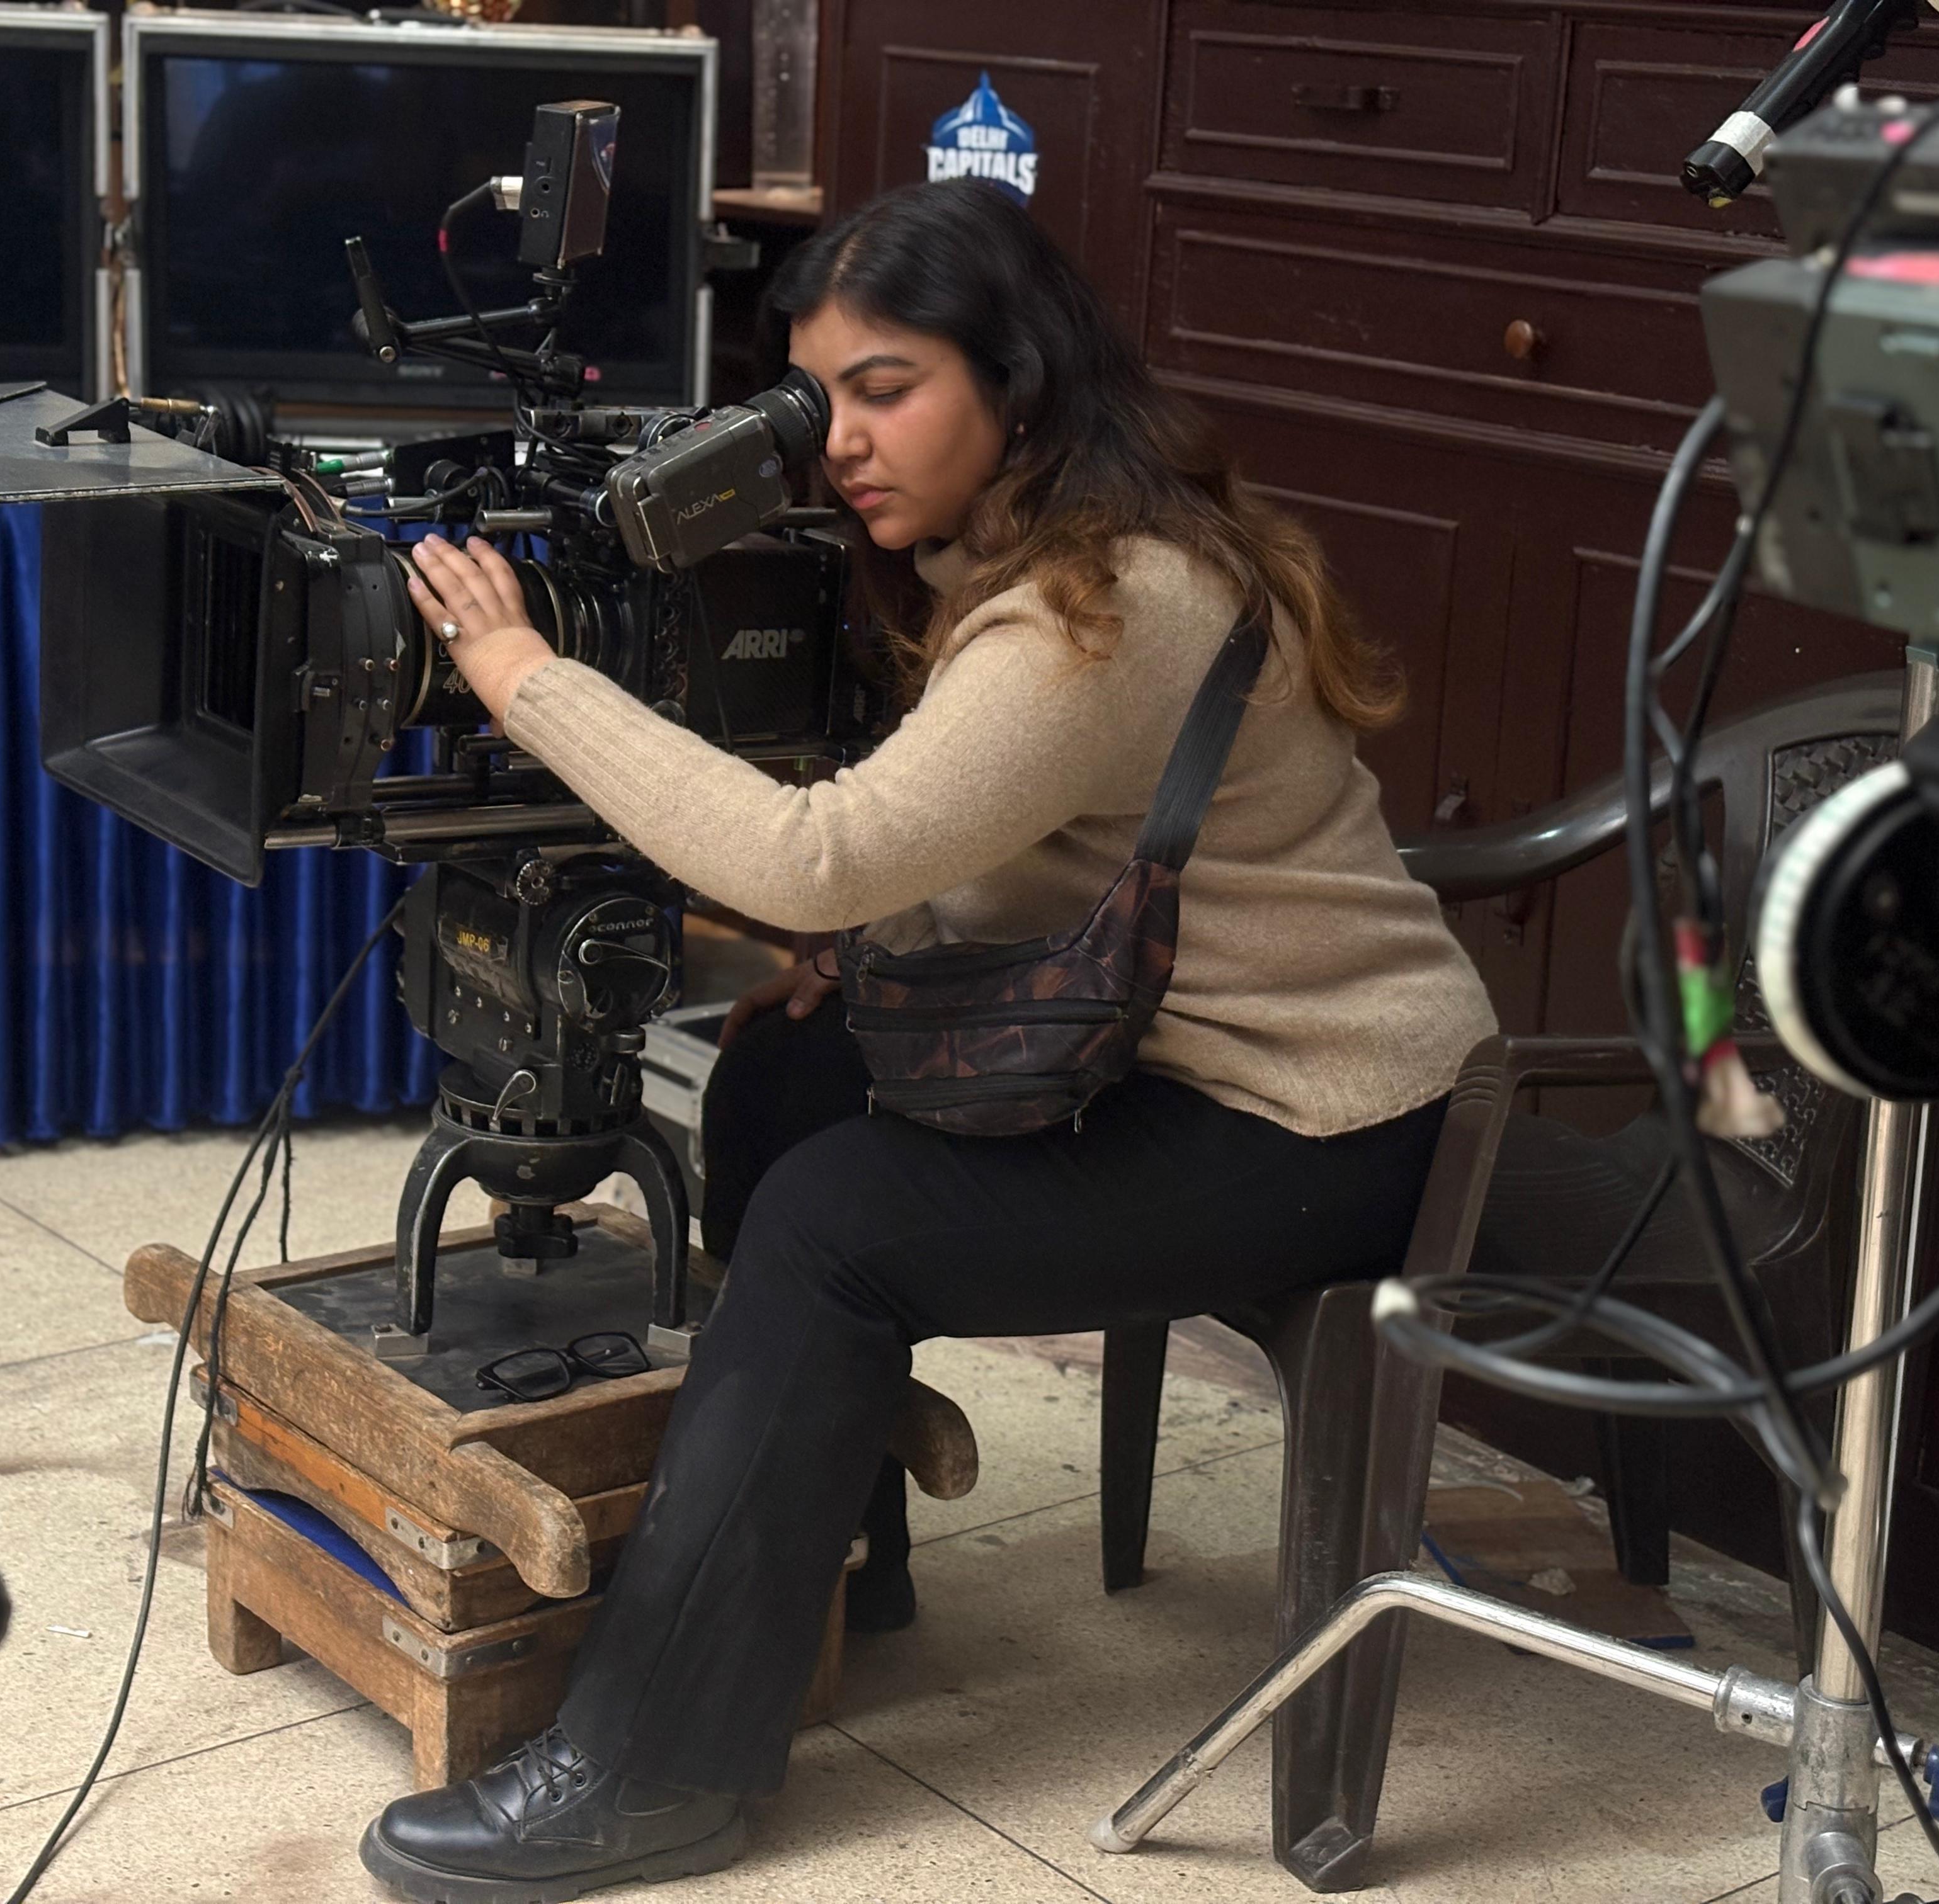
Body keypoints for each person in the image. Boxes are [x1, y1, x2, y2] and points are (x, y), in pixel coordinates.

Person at [358, 178, 1499, 1902]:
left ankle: (649, 1771)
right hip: (1177, 1051)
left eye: (887, 390)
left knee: (839, 1226)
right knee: (780, 1085)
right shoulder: (1049, 556)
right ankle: (832, 1566)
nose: (841, 443)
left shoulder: (1101, 604)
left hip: (1327, 1113)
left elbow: (806, 852)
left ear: (1016, 383)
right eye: (819, 399)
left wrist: (521, 673)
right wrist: (863, 954)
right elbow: (1041, 849)